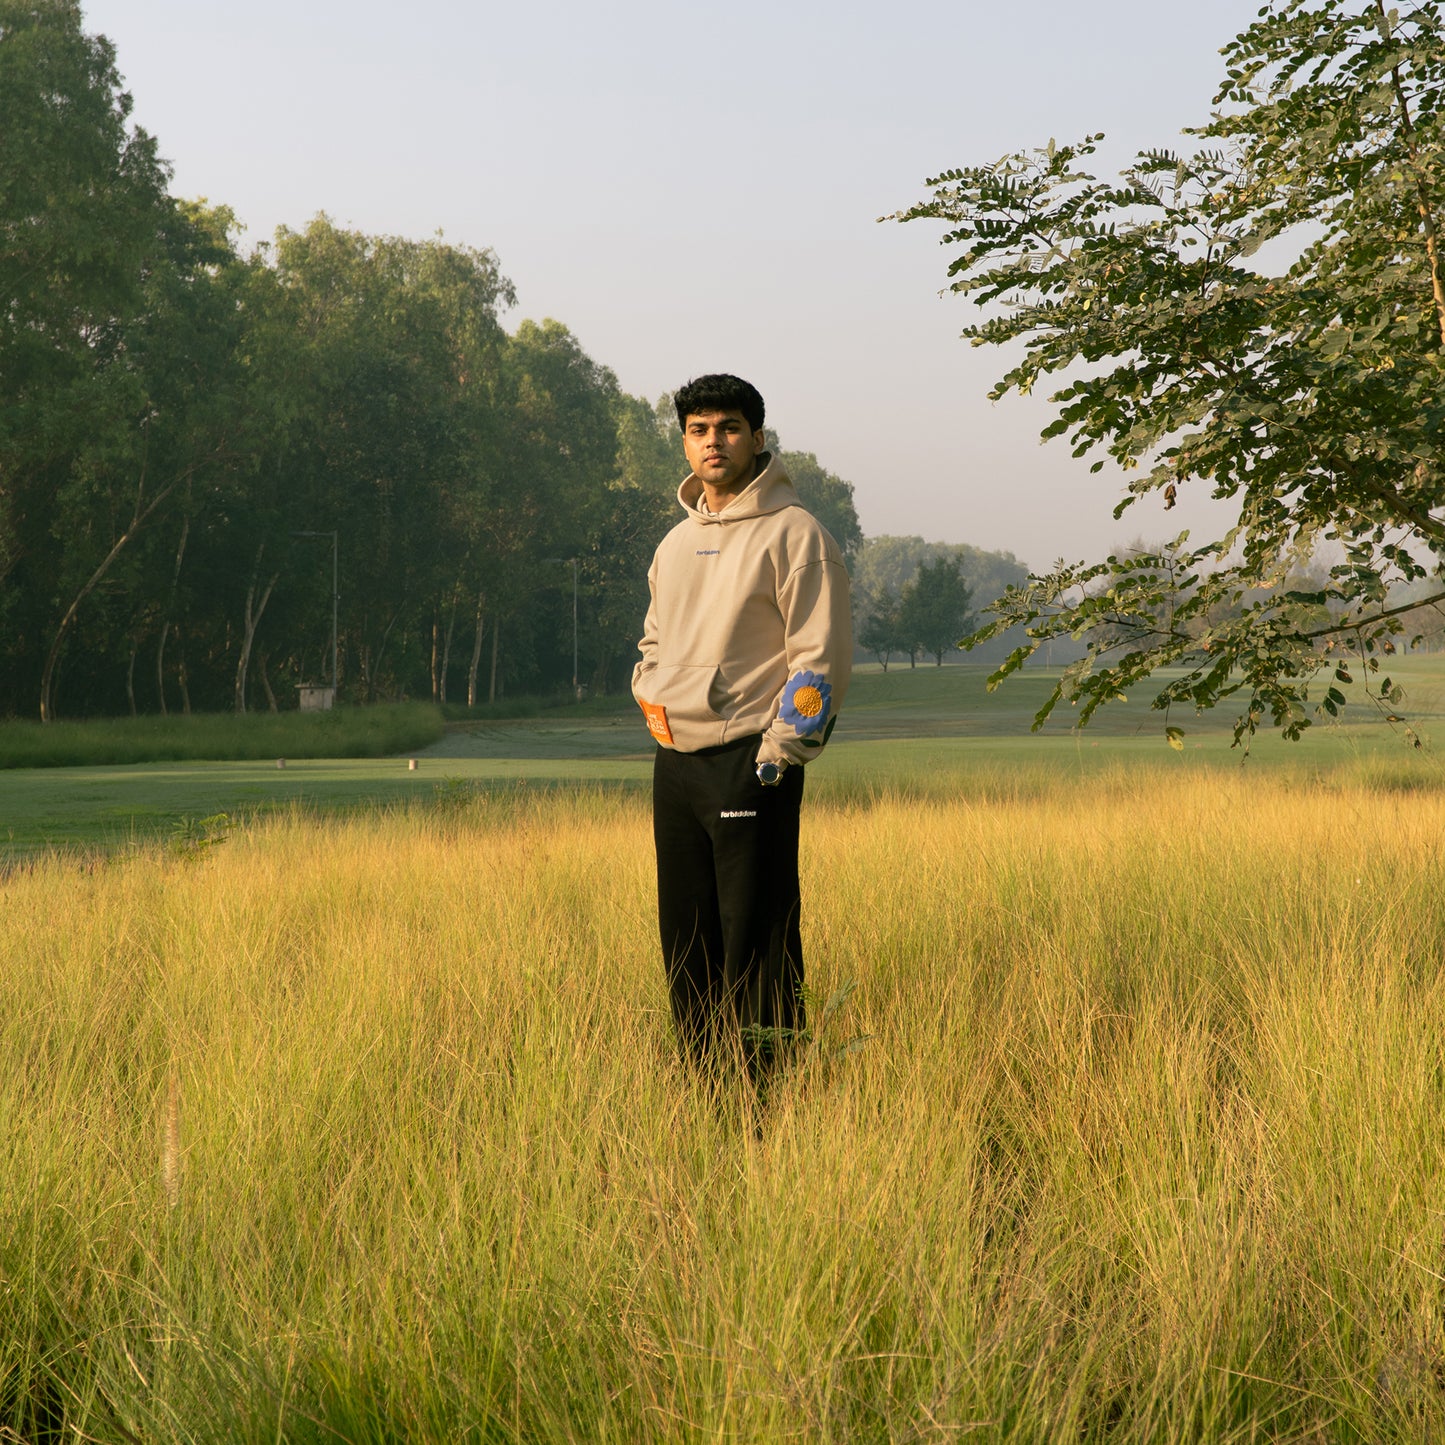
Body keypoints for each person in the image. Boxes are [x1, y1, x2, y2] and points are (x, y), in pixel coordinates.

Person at [632, 374, 852, 1079]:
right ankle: (707, 1093)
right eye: (698, 429)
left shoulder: (796, 535)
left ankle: (768, 1100)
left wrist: (779, 751)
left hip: (751, 763)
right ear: (685, 442)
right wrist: (656, 708)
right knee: (686, 940)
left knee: (756, 939)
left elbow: (817, 658)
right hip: (677, 764)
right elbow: (652, 646)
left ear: (757, 438)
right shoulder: (672, 544)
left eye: (728, 427)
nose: (712, 441)